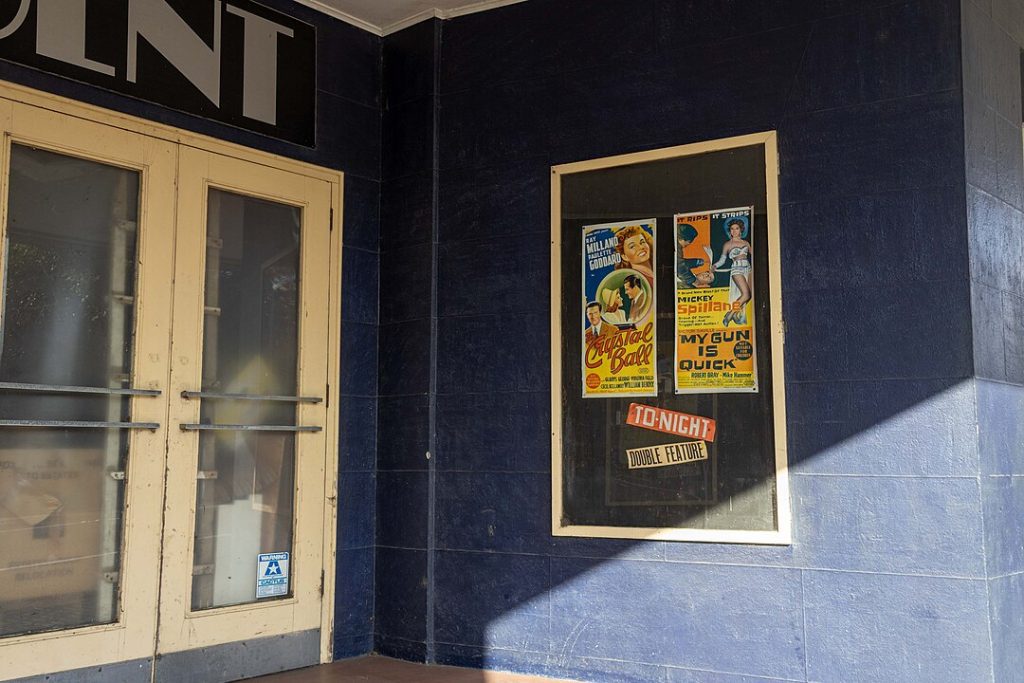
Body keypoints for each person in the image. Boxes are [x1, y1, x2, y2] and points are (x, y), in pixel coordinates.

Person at [713, 216, 752, 326]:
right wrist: (715, 266)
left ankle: (736, 314)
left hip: (748, 269)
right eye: (732, 229)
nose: (734, 231)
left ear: (741, 230)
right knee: (746, 295)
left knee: (749, 295)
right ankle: (729, 315)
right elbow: (722, 260)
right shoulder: (727, 244)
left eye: (737, 228)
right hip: (737, 269)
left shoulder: (746, 243)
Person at [676, 222, 715, 288]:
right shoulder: (678, 248)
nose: (705, 274)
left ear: (706, 285)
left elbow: (680, 265)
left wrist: (697, 262)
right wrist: (697, 262)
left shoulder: (689, 283)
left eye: (709, 277)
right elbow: (680, 264)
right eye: (707, 272)